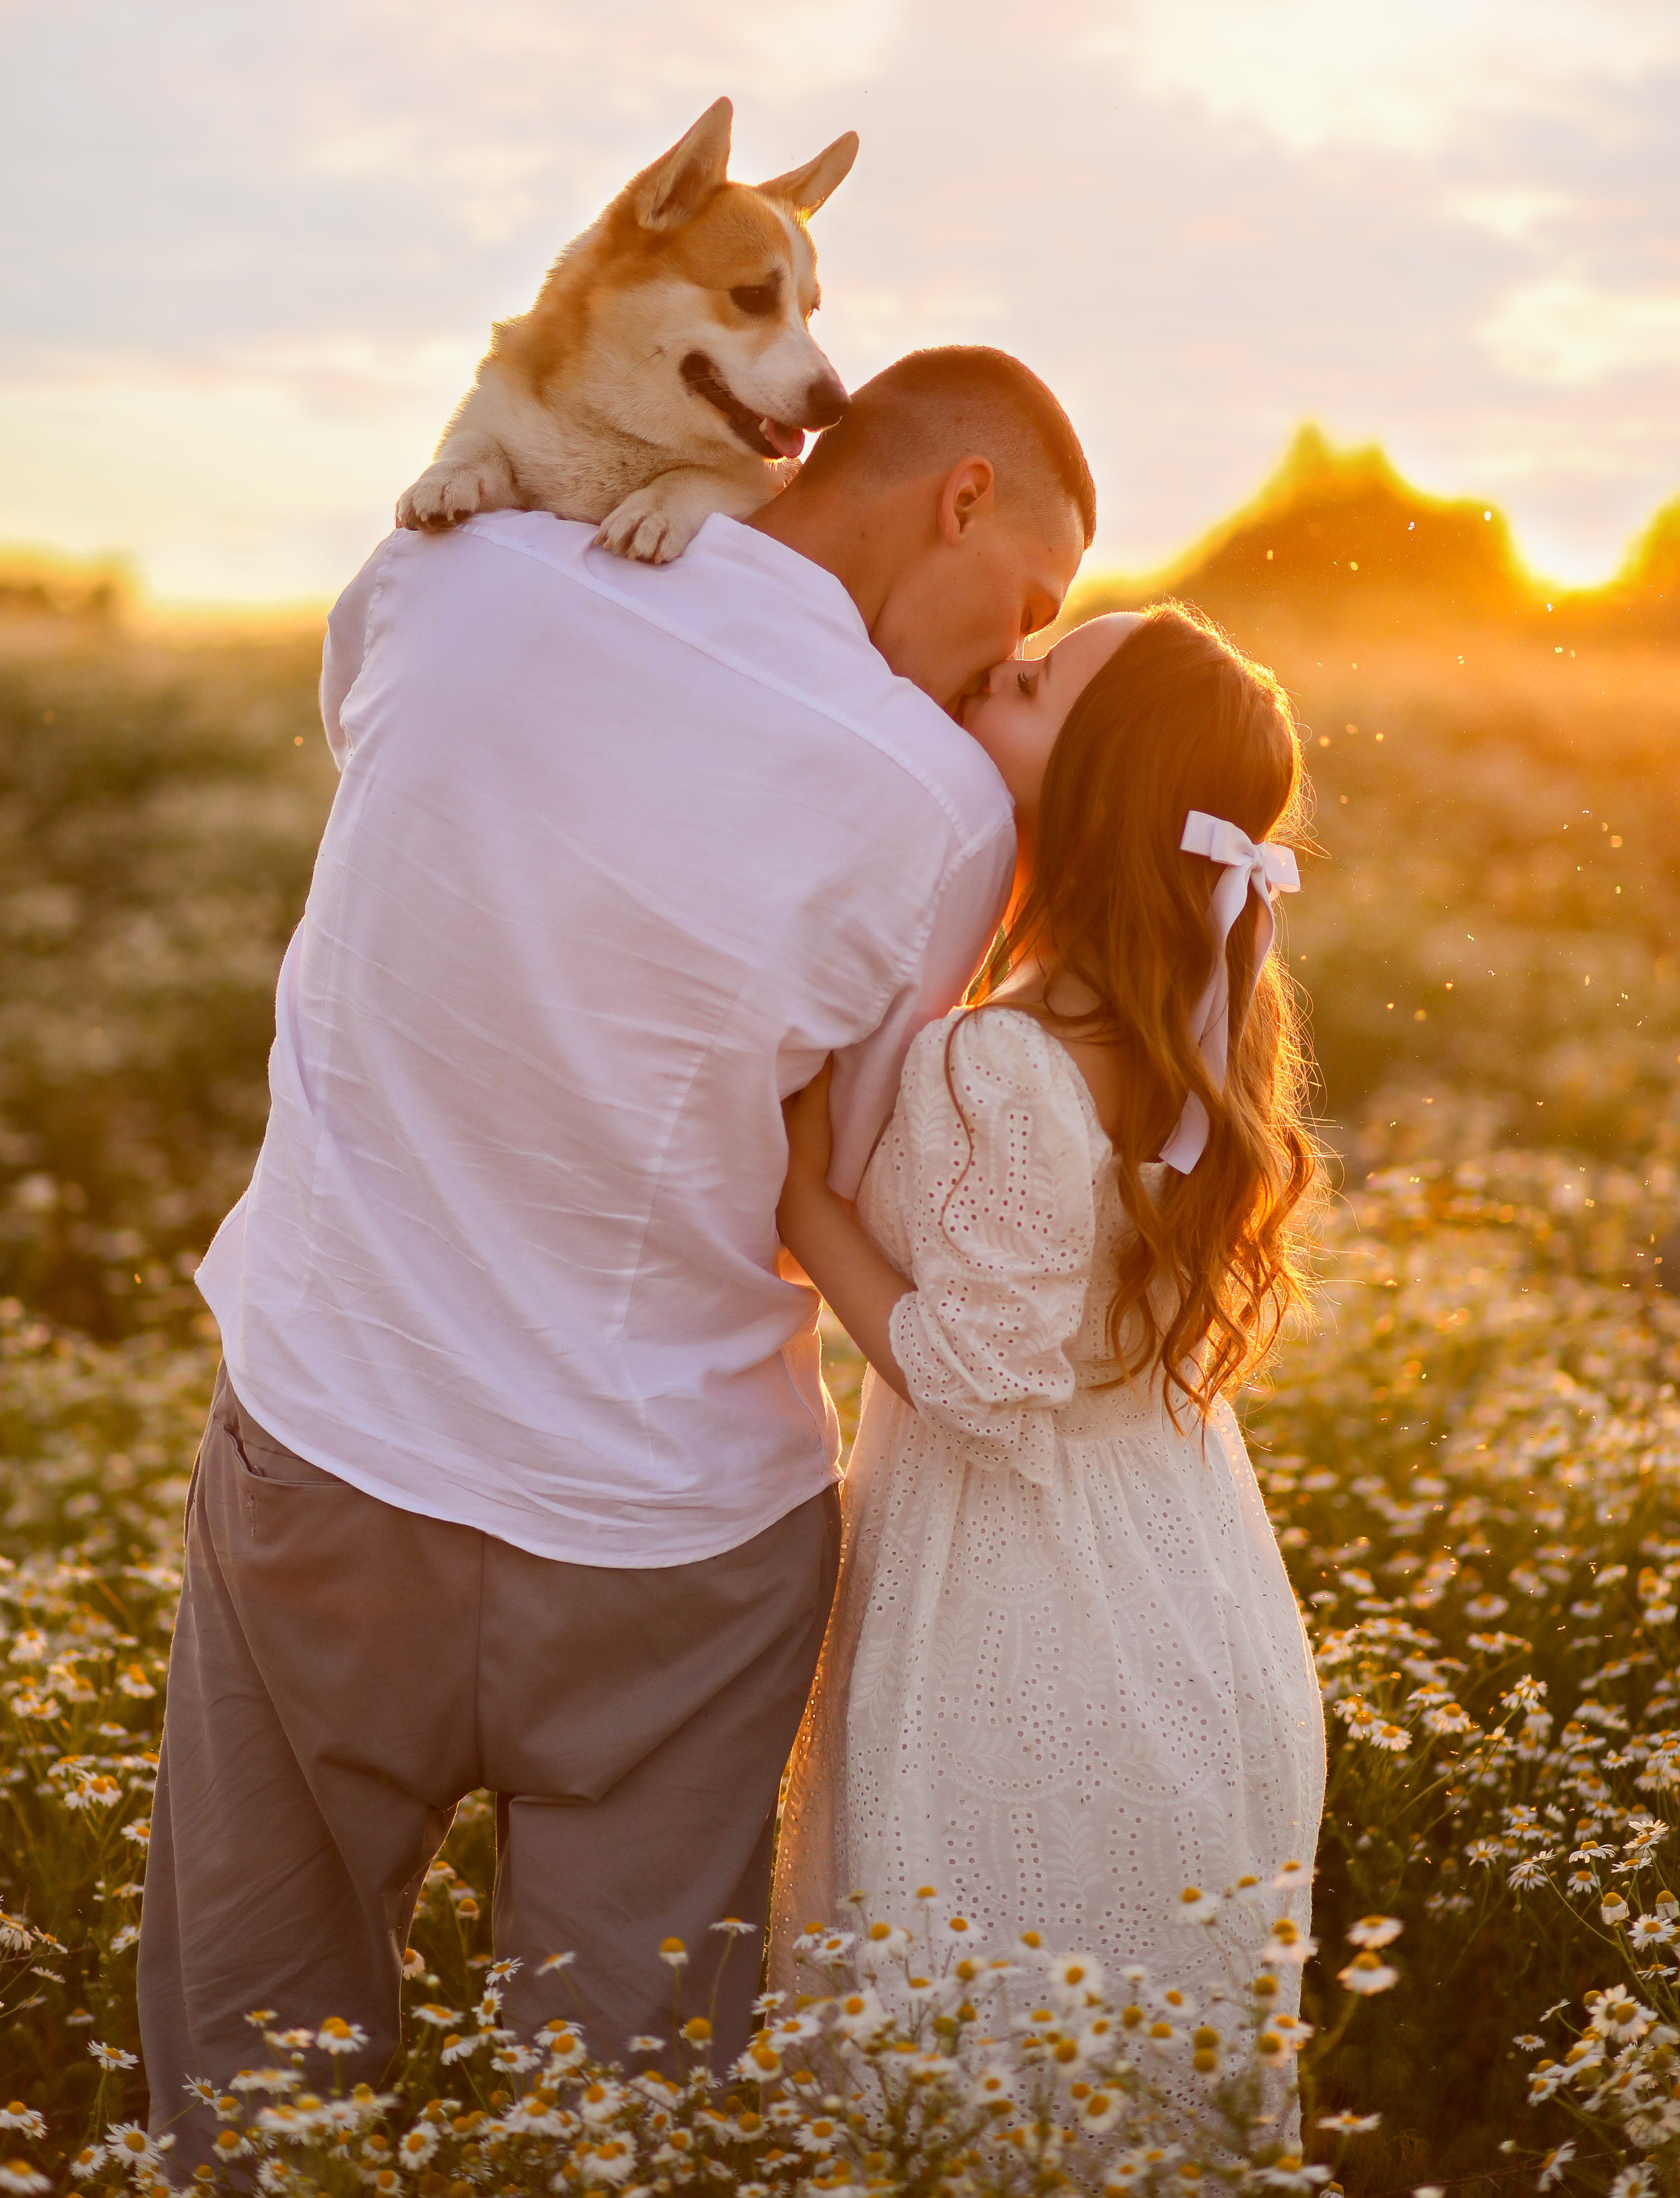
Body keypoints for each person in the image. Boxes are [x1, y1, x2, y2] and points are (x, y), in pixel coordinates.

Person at [137, 346, 1094, 2151]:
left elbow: (380, 754)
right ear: (959, 495)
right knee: (627, 2123)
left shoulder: (461, 578)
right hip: (683, 1543)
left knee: (254, 2068)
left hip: (343, 1456)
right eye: (1029, 601)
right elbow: (865, 1161)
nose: (1005, 656)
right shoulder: (941, 807)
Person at [771, 603, 1327, 2000]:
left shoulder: (1001, 1057)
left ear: (1092, 782)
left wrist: (802, 1205)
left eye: (1026, 684)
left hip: (1025, 1606)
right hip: (1185, 1584)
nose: (989, 674)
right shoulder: (1193, 1020)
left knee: (973, 2024)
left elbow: (978, 1377)